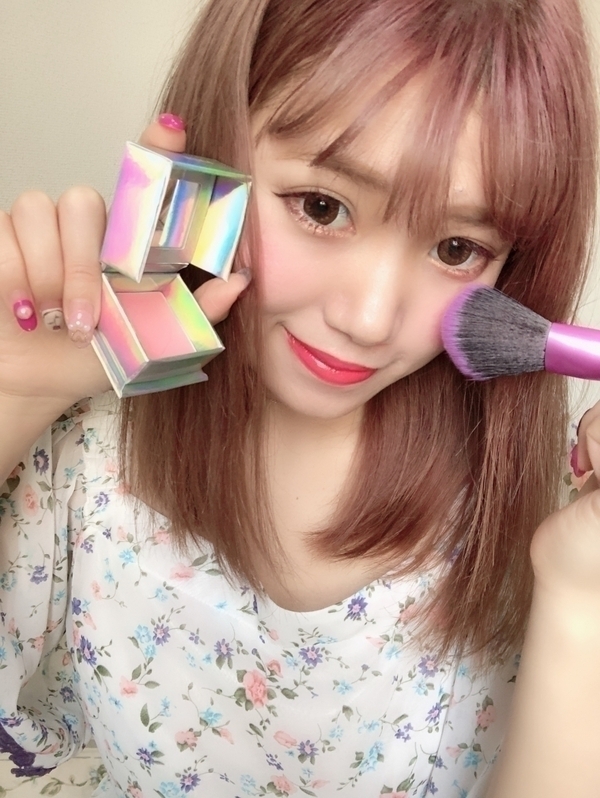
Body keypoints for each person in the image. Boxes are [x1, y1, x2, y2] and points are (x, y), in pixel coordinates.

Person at [1, 0, 599, 795]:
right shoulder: (87, 457)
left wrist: (580, 591)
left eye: (458, 248)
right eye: (322, 207)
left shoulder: (540, 505)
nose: (369, 319)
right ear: (213, 156)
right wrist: (16, 391)